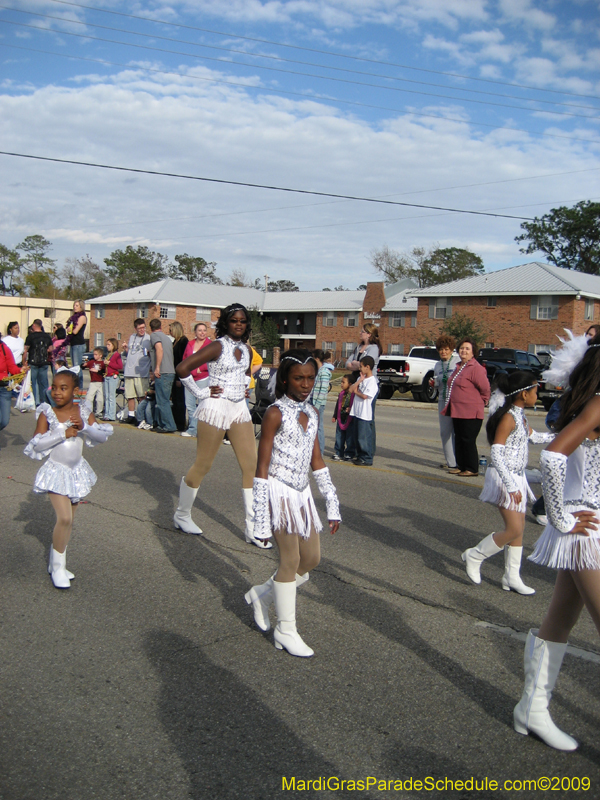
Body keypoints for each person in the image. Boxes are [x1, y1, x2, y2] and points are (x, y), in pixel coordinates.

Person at [512, 331, 600, 751]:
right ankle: (533, 708)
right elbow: (552, 457)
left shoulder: (588, 406)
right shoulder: (598, 405)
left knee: (560, 619)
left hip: (592, 527)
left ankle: (532, 709)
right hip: (588, 533)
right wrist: (560, 516)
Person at [244, 349, 341, 656]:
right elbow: (260, 467)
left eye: (310, 378)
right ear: (284, 380)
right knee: (290, 562)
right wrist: (259, 520)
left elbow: (316, 459)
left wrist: (332, 501)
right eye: (298, 378)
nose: (306, 384)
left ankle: (263, 594)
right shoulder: (274, 413)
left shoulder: (311, 413)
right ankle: (286, 629)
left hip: (301, 494)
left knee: (310, 559)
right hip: (277, 491)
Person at [175, 304, 266, 547]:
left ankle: (252, 527)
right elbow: (183, 368)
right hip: (215, 408)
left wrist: (243, 387)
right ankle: (182, 515)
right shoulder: (217, 345)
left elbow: (247, 374)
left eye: (243, 321)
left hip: (239, 409)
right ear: (225, 322)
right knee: (203, 464)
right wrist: (201, 393)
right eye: (234, 320)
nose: (239, 324)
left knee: (252, 466)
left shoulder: (247, 349)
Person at [462, 371, 553, 594]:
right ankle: (475, 555)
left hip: (518, 477)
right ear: (523, 394)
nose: (537, 393)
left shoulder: (520, 416)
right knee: (513, 529)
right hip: (505, 478)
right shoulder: (508, 418)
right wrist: (511, 486)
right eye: (534, 390)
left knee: (519, 530)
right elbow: (497, 452)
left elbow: (535, 437)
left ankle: (511, 577)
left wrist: (563, 435)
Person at [23, 367, 113, 589]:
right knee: (63, 519)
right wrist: (61, 433)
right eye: (54, 387)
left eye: (63, 388)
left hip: (76, 472)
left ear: (76, 390)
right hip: (56, 471)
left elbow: (102, 436)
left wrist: (85, 428)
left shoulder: (82, 411)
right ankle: (59, 567)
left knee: (69, 521)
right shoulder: (47, 413)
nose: (57, 392)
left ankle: (56, 563)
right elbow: (36, 444)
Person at [442, 338, 490, 477]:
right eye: (462, 348)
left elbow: (485, 388)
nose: (464, 351)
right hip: (457, 410)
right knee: (459, 439)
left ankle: (471, 468)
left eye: (467, 349)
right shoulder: (458, 366)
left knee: (468, 439)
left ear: (473, 352)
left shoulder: (476, 368)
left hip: (471, 411)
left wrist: (482, 401)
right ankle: (461, 465)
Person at [345, 323, 382, 452]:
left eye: (363, 331)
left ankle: (368, 449)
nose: (360, 333)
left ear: (369, 334)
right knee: (355, 418)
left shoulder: (374, 348)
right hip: (357, 383)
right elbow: (347, 363)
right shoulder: (358, 347)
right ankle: (355, 448)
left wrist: (356, 364)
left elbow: (367, 364)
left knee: (367, 419)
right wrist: (354, 364)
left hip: (368, 385)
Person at [433, 335, 460, 471]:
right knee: (445, 432)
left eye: (446, 349)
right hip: (443, 399)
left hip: (457, 400)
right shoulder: (437, 365)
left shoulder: (457, 362)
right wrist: (433, 383)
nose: (444, 352)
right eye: (441, 350)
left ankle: (459, 460)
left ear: (451, 350)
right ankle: (451, 462)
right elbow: (437, 382)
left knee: (458, 431)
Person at [181, 322, 212, 438]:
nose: (202, 332)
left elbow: (212, 360)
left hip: (203, 378)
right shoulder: (190, 344)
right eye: (200, 330)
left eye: (204, 330)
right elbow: (185, 359)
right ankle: (192, 429)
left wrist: (201, 368)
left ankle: (204, 430)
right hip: (189, 379)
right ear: (195, 332)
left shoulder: (210, 345)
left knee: (203, 405)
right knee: (190, 405)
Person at [121, 318, 152, 425]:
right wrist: (126, 349)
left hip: (141, 372)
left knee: (141, 396)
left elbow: (150, 354)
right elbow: (131, 352)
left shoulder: (148, 338)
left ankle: (141, 416)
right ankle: (131, 415)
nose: (142, 330)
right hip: (129, 370)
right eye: (139, 328)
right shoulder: (132, 337)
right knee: (130, 395)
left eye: (143, 327)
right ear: (135, 328)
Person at [149, 318, 177, 433]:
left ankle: (169, 425)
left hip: (163, 372)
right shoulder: (167, 338)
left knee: (162, 401)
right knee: (163, 399)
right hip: (170, 371)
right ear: (160, 326)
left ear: (151, 328)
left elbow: (159, 349)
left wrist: (157, 367)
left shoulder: (154, 336)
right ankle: (161, 424)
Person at [349, 356, 378, 466]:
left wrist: (357, 393)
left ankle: (367, 458)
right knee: (357, 436)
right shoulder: (361, 379)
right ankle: (360, 455)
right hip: (356, 411)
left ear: (368, 367)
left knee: (363, 436)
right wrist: (360, 380)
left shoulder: (372, 381)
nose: (360, 369)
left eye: (361, 367)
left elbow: (365, 396)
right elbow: (351, 389)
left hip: (365, 414)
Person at [22, 319, 52, 406]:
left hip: (33, 362)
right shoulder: (47, 336)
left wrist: (24, 362)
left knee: (33, 383)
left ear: (34, 326)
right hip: (44, 361)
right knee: (43, 382)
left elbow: (25, 350)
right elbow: (51, 348)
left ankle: (35, 401)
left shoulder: (31, 337)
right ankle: (45, 401)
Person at [169, 321, 189, 432]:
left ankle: (181, 423)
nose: (170, 332)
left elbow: (182, 360)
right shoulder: (175, 342)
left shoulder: (183, 341)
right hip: (174, 373)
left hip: (179, 375)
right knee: (175, 401)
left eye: (171, 330)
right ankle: (176, 422)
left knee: (180, 401)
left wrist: (179, 378)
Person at [311, 349, 331, 455]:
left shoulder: (324, 372)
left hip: (318, 404)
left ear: (317, 359)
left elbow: (323, 390)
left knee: (318, 428)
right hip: (311, 401)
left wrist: (317, 405)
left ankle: (320, 452)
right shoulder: (316, 371)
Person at [65, 300, 87, 391]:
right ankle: (75, 387)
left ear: (81, 307)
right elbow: (68, 329)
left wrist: (70, 327)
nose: (75, 307)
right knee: (74, 367)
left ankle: (80, 388)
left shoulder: (82, 317)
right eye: (74, 305)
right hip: (73, 344)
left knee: (77, 367)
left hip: (79, 344)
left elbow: (74, 331)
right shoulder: (73, 317)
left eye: (77, 305)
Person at [331, 374, 355, 461]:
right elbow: (338, 405)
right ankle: (338, 452)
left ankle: (349, 453)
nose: (341, 384)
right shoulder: (341, 394)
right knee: (339, 436)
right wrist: (334, 416)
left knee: (349, 437)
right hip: (341, 418)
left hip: (350, 419)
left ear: (350, 384)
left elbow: (355, 405)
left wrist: (351, 409)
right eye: (341, 382)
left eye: (343, 382)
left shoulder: (353, 394)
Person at [0, 339, 21, 438]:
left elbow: (12, 367)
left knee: (4, 421)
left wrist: (21, 370)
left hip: (4, 389)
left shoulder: (4, 349)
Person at [82, 347, 106, 417]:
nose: (94, 356)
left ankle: (99, 412)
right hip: (93, 382)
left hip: (101, 382)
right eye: (94, 354)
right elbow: (83, 366)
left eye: (96, 354)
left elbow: (104, 372)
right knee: (89, 397)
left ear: (100, 355)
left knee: (99, 399)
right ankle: (88, 411)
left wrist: (97, 371)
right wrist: (84, 364)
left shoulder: (103, 363)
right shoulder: (92, 362)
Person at [103, 338, 123, 422]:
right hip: (106, 376)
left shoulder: (116, 355)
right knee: (107, 396)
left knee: (111, 396)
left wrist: (109, 363)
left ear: (113, 345)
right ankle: (106, 414)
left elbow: (120, 366)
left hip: (112, 376)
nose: (107, 346)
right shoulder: (109, 354)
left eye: (109, 345)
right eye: (107, 344)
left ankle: (111, 415)